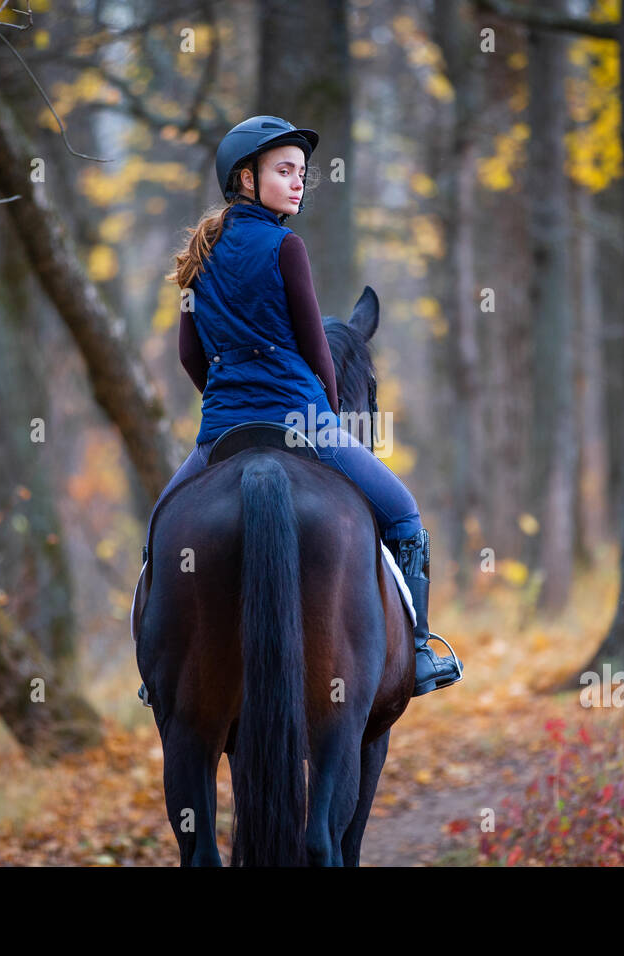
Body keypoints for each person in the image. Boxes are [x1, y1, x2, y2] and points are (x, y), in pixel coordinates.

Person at [137, 115, 462, 704]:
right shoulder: (288, 246)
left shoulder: (198, 252)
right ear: (245, 177)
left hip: (222, 432)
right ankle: (417, 653)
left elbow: (190, 355)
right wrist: (328, 413)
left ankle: (156, 667)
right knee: (406, 516)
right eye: (284, 171)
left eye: (302, 174)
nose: (297, 183)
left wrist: (226, 400)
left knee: (160, 532)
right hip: (303, 422)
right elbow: (316, 345)